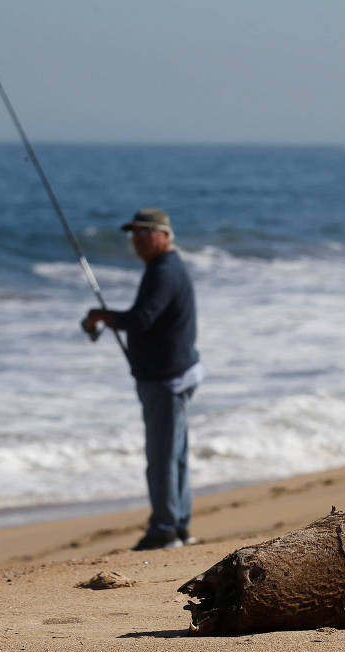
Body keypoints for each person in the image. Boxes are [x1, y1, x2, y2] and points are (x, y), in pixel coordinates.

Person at [83, 207, 204, 551]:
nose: (136, 240)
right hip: (175, 372)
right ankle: (179, 525)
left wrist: (101, 316)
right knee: (174, 454)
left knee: (163, 456)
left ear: (164, 235)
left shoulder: (163, 270)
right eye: (133, 234)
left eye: (143, 233)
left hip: (167, 379)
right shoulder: (166, 266)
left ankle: (165, 529)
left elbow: (141, 318)